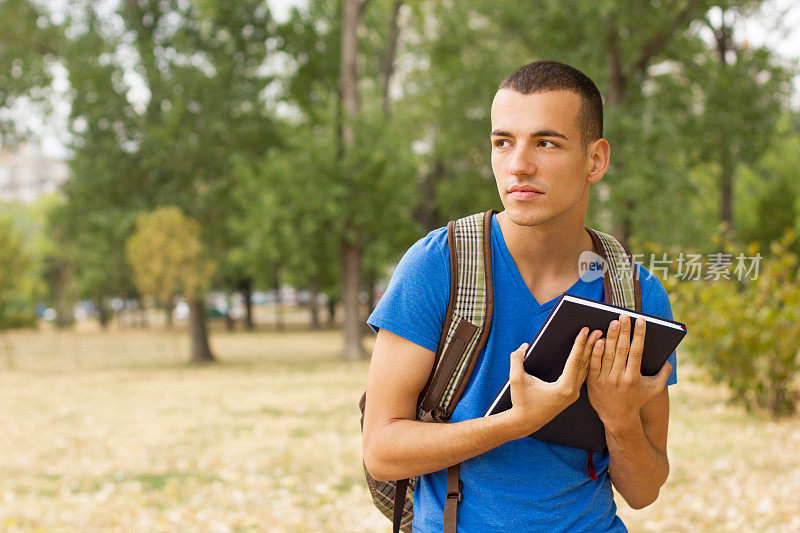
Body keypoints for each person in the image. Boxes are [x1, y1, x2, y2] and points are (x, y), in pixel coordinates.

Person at [361, 60, 677, 532]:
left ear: (596, 160)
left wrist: (621, 420)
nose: (518, 165)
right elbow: (382, 452)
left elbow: (643, 490)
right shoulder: (437, 266)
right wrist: (516, 421)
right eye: (503, 142)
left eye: (546, 142)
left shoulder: (634, 292)